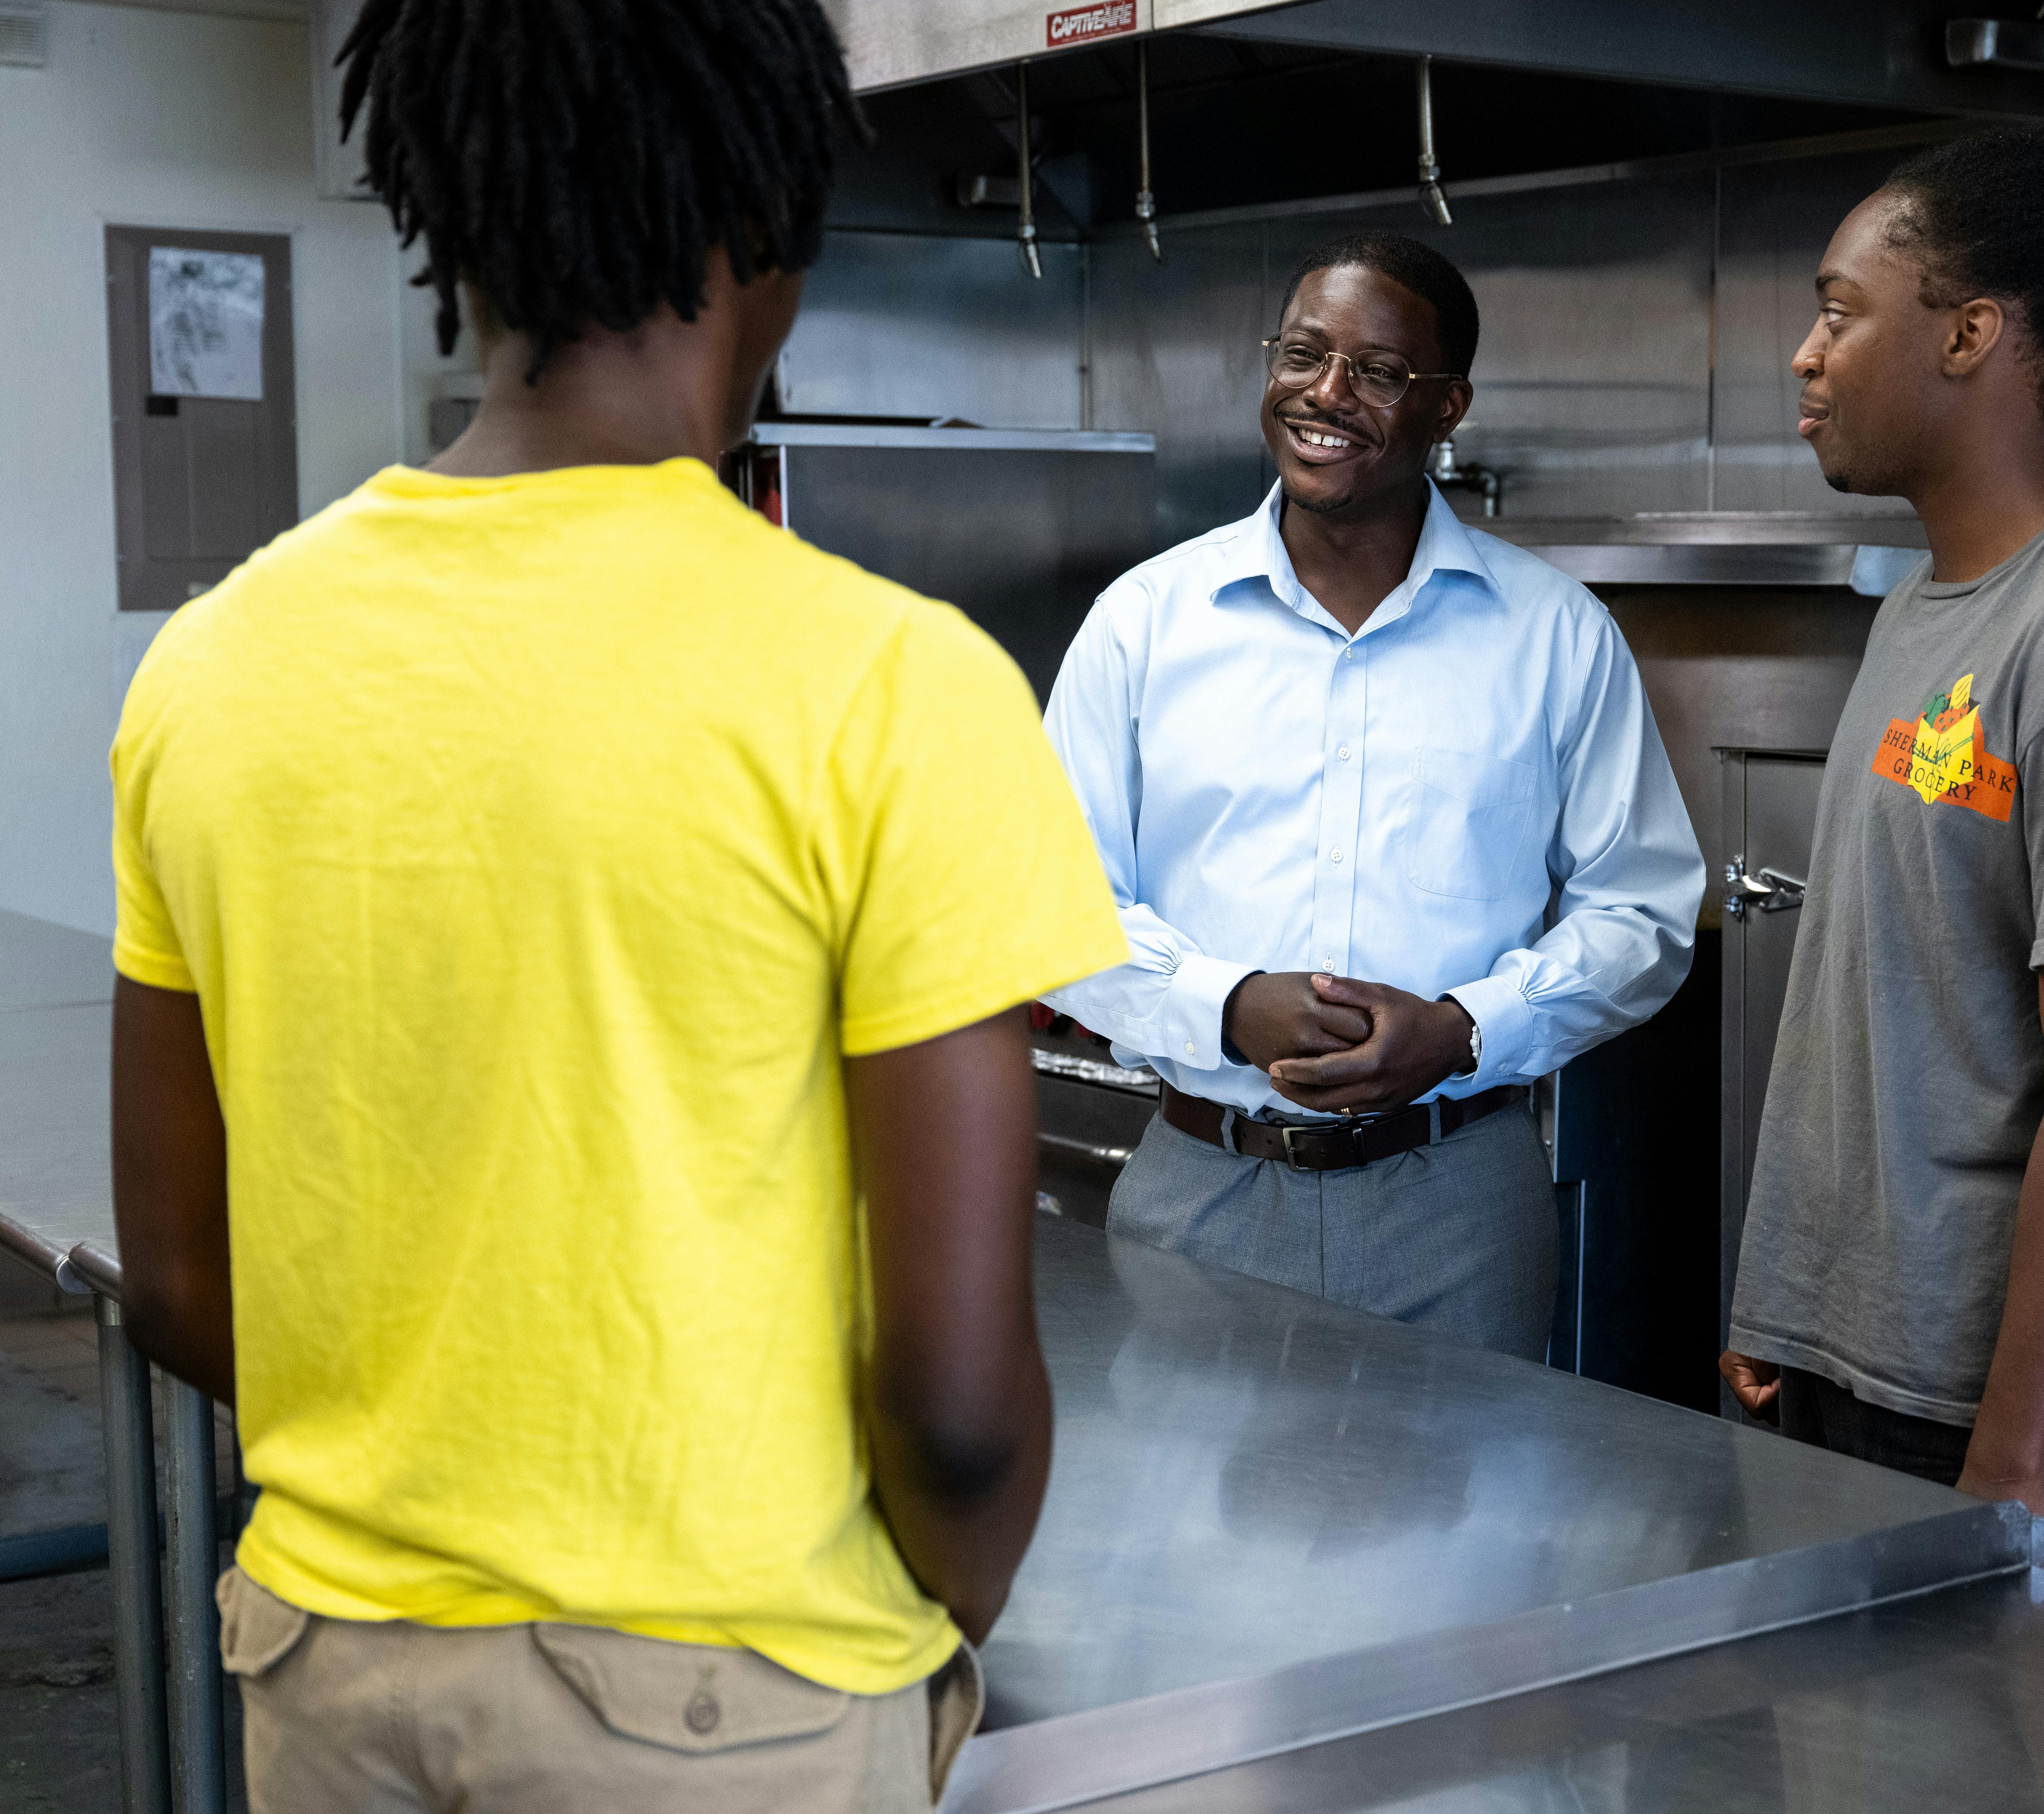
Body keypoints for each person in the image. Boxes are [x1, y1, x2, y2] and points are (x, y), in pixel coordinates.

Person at [106, 4, 1127, 1809]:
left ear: (450, 222)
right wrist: (916, 1648)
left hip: (323, 1666)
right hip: (726, 1699)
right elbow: (959, 1401)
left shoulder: (215, 664)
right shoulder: (888, 682)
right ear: (770, 234)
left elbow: (183, 1277)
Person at [1719, 126, 2044, 1596]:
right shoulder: (1927, 608)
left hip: (2012, 1406)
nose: (1805, 357)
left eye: (1838, 309)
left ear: (1967, 334)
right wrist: (1788, 1301)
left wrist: (2010, 1466)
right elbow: (1875, 999)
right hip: (1866, 1354)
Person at [1041, 232, 1703, 1359]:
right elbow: (1042, 899)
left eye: (1379, 371)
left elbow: (1640, 916)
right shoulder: (1145, 621)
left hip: (1458, 1205)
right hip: (1201, 1191)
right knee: (1183, 1537)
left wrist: (1460, 1031)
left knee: (1468, 1532)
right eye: (1302, 354)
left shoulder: (1554, 634)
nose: (1326, 393)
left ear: (1450, 406)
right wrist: (1226, 1002)